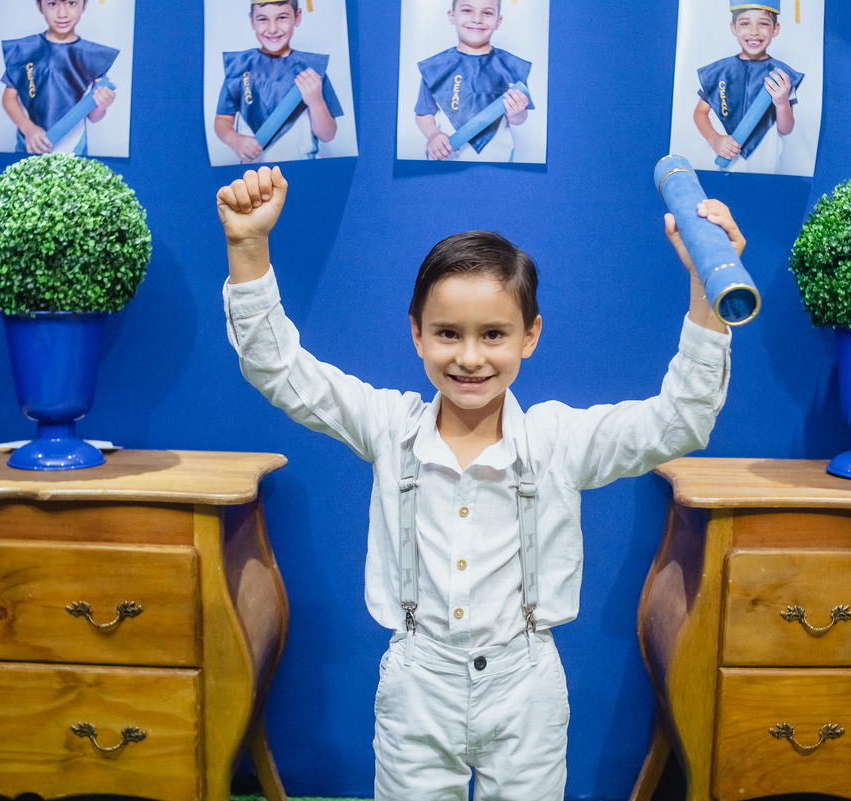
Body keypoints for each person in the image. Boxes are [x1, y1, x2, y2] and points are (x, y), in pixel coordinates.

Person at [217, 165, 739, 800]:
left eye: (493, 334)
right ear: (416, 333)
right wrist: (248, 247)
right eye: (447, 334)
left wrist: (705, 291)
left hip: (526, 686)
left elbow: (681, 421)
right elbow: (276, 367)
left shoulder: (558, 440)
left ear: (530, 337)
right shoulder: (388, 427)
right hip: (417, 683)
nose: (469, 357)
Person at [215, 0, 342, 164]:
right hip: (254, 175)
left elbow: (328, 135)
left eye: (282, 17)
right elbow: (222, 121)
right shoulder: (239, 69)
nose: (273, 28)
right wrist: (234, 140)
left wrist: (316, 102)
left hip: (303, 169)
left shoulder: (312, 70)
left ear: (297, 17)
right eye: (262, 19)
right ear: (251, 20)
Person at [414, 0, 533, 162]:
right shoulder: (435, 68)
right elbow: (423, 112)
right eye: (467, 10)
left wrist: (517, 113)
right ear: (452, 16)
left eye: (487, 12)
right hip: (447, 160)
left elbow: (520, 119)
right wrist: (433, 134)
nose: (477, 18)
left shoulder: (511, 67)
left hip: (499, 160)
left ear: (498, 21)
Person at [694, 0, 803, 173]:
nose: (754, 31)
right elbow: (699, 113)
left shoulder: (781, 76)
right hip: (719, 163)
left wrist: (782, 103)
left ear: (775, 29)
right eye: (745, 23)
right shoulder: (719, 71)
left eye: (763, 23)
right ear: (733, 28)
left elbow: (786, 129)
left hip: (763, 165)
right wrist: (715, 140)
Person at [0, 0, 118, 155]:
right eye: (53, 4)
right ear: (39, 5)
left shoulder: (91, 56)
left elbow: (94, 117)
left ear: (84, 5)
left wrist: (102, 105)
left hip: (74, 148)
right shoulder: (25, 51)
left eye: (71, 3)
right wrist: (27, 127)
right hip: (31, 144)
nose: (62, 14)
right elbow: (9, 99)